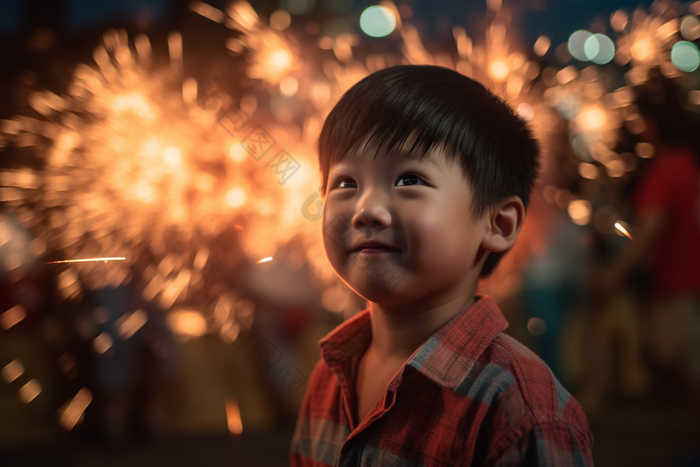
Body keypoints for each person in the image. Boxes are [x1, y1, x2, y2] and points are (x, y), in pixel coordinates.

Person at [290, 65, 593, 466]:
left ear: (497, 224)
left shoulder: (523, 412)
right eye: (346, 183)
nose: (366, 211)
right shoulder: (330, 375)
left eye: (408, 179)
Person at [592, 72, 700, 445]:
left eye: (640, 121)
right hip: (687, 283)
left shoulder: (665, 172)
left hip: (678, 288)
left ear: (654, 123)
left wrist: (612, 276)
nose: (637, 130)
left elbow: (645, 238)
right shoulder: (688, 165)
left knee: (689, 369)